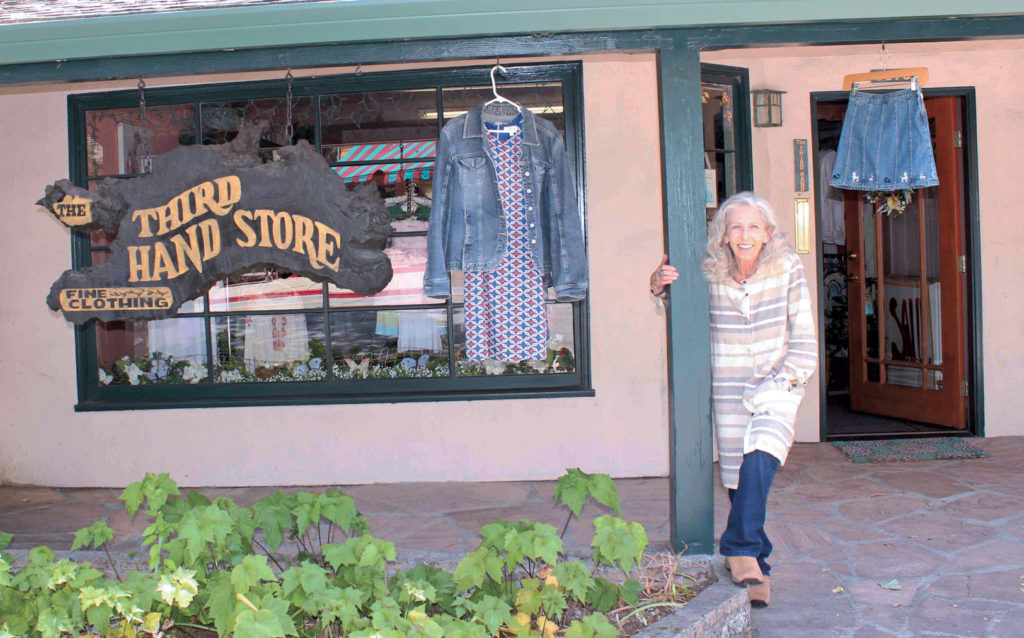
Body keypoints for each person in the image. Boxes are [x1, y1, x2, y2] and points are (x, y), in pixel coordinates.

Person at [649, 192, 817, 608]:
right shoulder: (710, 272)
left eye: (753, 227)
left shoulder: (788, 268)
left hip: (779, 384)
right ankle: (760, 571)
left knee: (762, 455)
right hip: (728, 384)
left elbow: (805, 339)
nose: (745, 235)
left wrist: (783, 381)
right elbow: (679, 306)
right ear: (724, 234)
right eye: (736, 226)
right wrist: (658, 285)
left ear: (769, 234)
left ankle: (739, 545)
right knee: (740, 481)